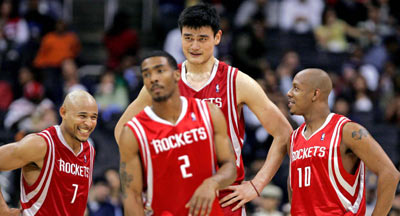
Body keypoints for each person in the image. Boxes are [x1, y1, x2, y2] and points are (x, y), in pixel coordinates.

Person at [114, 4, 292, 214]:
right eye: (188, 38)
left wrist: (257, 184)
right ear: (180, 37)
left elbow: (284, 133)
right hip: (175, 199)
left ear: (217, 37)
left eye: (202, 38)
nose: (194, 46)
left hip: (224, 198)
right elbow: (122, 130)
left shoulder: (237, 82)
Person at [118, 50, 237, 216]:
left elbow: (230, 166)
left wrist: (212, 183)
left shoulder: (209, 112)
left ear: (176, 75)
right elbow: (132, 196)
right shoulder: (133, 132)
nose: (153, 78)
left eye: (160, 71)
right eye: (146, 74)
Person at [287, 68, 400, 215]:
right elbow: (294, 188)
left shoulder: (347, 131)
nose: (289, 93)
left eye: (296, 88)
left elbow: (390, 174)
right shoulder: (294, 138)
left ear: (315, 94)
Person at [0, 90, 98, 216]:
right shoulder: (41, 144)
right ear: (63, 112)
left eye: (93, 117)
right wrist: (2, 209)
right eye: (82, 116)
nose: (89, 123)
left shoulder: (89, 150)